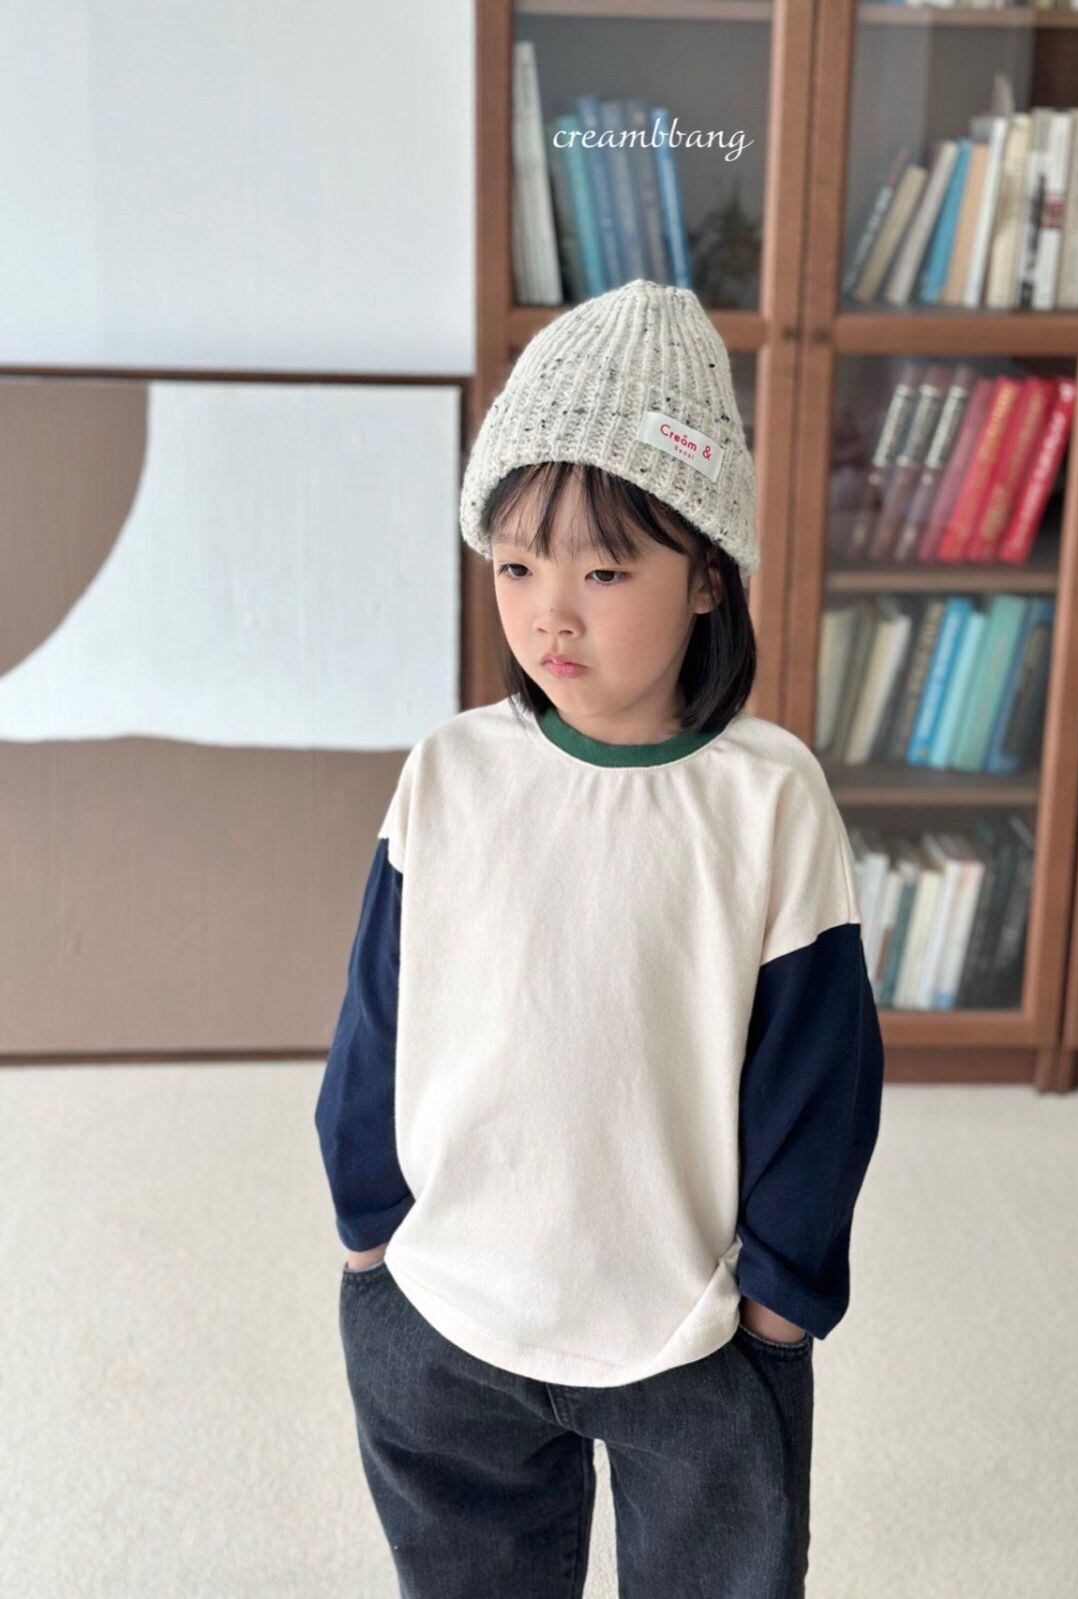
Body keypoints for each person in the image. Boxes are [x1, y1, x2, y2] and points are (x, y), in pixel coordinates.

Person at [314, 278, 885, 1598]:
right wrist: (367, 1229)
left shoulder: (768, 799)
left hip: (689, 1331)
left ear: (708, 577)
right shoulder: (452, 772)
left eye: (604, 570)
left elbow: (819, 1078)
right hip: (445, 1309)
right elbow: (377, 1014)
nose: (549, 611)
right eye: (517, 565)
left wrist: (780, 1307)